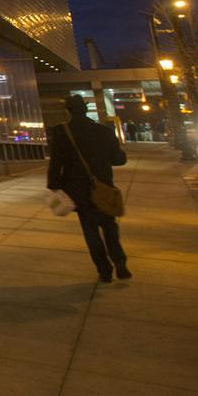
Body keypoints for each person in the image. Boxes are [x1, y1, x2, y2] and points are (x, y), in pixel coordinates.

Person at [47, 96, 129, 282]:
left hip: (78, 191)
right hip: (103, 187)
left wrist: (54, 185)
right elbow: (119, 159)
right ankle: (120, 262)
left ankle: (104, 270)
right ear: (85, 109)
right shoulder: (104, 131)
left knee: (90, 230)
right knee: (109, 226)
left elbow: (56, 162)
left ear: (68, 111)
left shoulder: (62, 132)